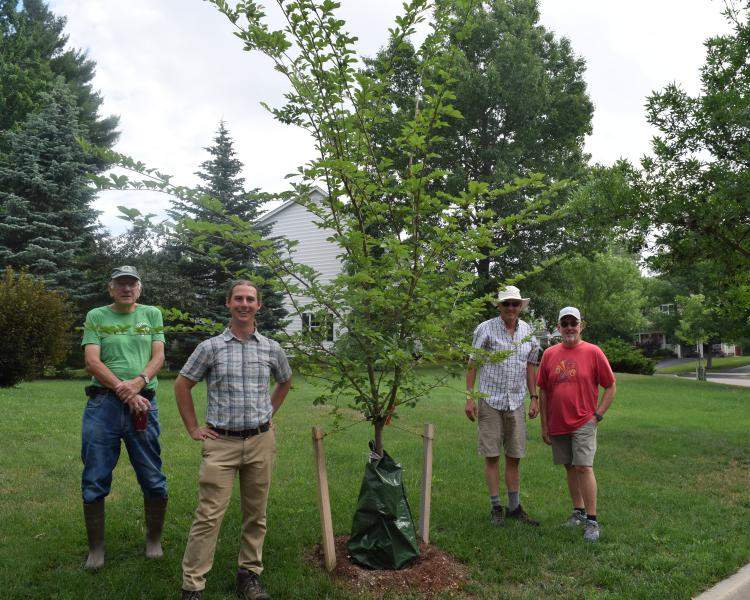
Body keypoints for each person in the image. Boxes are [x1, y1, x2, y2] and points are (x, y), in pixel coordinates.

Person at [176, 280, 292, 600]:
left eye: (250, 299)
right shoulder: (210, 347)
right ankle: (193, 586)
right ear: (228, 303)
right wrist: (193, 428)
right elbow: (182, 385)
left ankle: (249, 575)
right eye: (238, 298)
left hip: (260, 442)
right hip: (221, 444)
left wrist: (269, 410)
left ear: (259, 306)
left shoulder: (270, 347)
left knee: (256, 513)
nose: (244, 303)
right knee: (208, 515)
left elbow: (285, 381)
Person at [80, 265, 167, 569]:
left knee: (153, 477)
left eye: (132, 284)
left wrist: (138, 382)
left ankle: (154, 540)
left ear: (139, 289)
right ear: (111, 289)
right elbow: (92, 361)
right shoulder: (97, 316)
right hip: (103, 406)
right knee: (95, 476)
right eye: (120, 284)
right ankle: (96, 550)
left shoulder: (152, 314)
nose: (126, 289)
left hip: (145, 403)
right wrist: (123, 389)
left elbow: (159, 356)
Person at [537, 307, 616, 542]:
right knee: (570, 467)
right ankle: (578, 512)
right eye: (565, 323)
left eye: (574, 323)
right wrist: (544, 425)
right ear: (559, 327)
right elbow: (543, 392)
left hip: (584, 421)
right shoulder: (550, 354)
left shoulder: (593, 352)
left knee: (584, 467)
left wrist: (597, 415)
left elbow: (610, 385)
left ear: (581, 326)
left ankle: (592, 521)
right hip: (558, 422)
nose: (570, 327)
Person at [465, 285, 541, 526]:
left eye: (515, 304)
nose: (511, 308)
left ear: (520, 307)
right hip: (490, 400)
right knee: (492, 455)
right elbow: (472, 362)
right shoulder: (485, 329)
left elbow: (531, 364)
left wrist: (534, 397)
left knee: (514, 455)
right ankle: (496, 506)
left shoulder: (528, 331)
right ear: (499, 306)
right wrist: (469, 397)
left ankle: (515, 507)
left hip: (516, 401)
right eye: (506, 303)